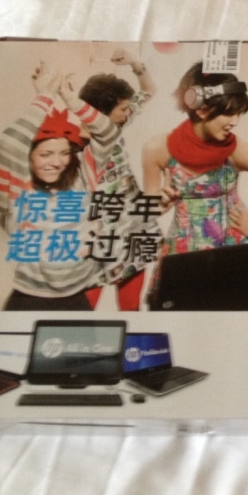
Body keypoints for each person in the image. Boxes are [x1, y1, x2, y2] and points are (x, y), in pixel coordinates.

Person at [142, 63, 248, 270]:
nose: (235, 121)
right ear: (202, 110)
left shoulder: (235, 149)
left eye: (239, 114)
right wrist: (159, 205)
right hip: (185, 252)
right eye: (229, 113)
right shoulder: (157, 148)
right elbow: (148, 211)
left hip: (234, 248)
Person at [0, 67, 117, 310]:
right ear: (28, 157)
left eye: (64, 153)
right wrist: (45, 96)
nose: (57, 162)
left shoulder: (83, 174)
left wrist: (69, 98)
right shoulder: (13, 190)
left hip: (79, 296)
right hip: (28, 298)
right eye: (46, 154)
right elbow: (10, 144)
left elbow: (108, 132)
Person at [77, 48, 159, 310]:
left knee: (132, 302)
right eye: (122, 108)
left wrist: (135, 63)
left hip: (132, 221)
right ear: (101, 112)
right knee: (85, 301)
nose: (127, 113)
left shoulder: (116, 124)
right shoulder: (72, 146)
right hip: (98, 228)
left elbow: (149, 91)